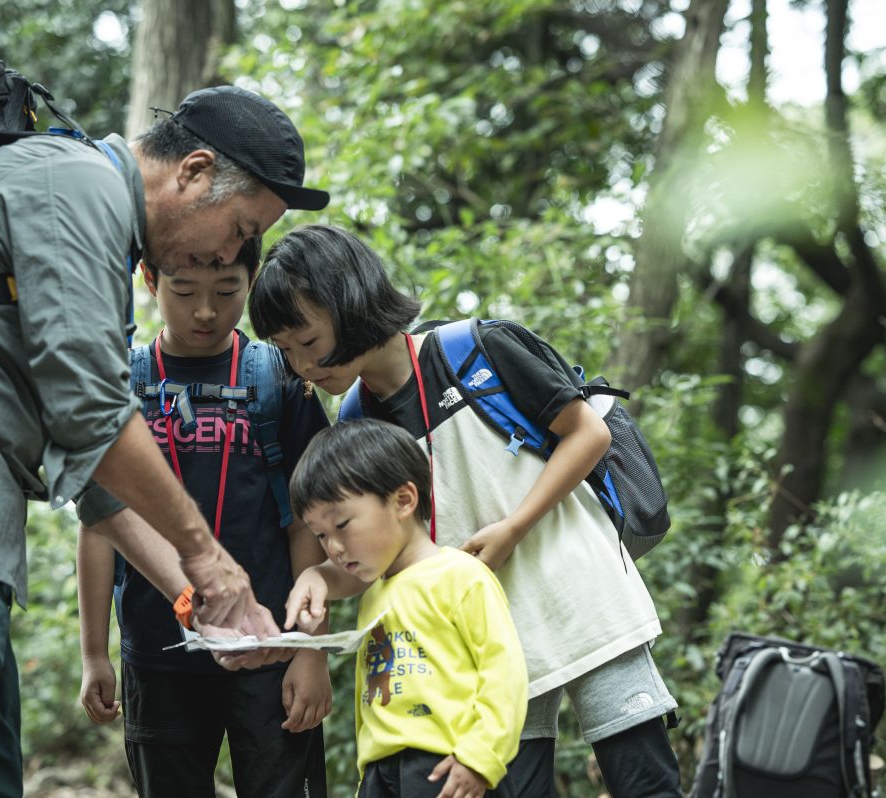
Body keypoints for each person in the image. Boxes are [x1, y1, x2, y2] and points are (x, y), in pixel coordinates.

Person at [0, 85, 329, 797]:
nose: (234, 250)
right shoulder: (76, 189)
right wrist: (210, 559)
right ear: (193, 172)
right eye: (238, 227)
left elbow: (89, 471)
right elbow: (93, 416)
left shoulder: (92, 226)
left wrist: (197, 593)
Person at [250, 225, 683, 798]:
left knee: (644, 780)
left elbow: (588, 434)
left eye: (306, 340)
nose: (302, 366)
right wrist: (317, 577)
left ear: (347, 302)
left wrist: (512, 528)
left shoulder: (473, 349)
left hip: (581, 598)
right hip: (486, 634)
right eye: (285, 351)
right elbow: (381, 555)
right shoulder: (356, 421)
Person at [76, 235, 331, 797]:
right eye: (184, 291)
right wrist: (94, 652)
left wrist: (311, 654)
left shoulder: (280, 377)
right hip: (157, 653)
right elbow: (98, 523)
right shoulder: (121, 386)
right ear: (149, 280)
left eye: (228, 290)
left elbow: (309, 520)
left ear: (252, 280)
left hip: (272, 647)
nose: (206, 311)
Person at [286, 419, 527, 798]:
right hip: (382, 772)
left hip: (449, 765)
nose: (332, 547)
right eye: (320, 535)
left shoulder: (461, 575)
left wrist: (480, 757)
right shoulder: (374, 593)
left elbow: (505, 675)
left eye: (342, 525)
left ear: (403, 500)